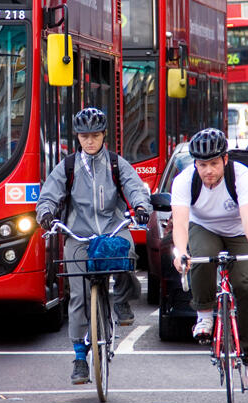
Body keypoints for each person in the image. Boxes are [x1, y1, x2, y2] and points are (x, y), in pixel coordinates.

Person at [35, 107, 151, 384]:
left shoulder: (115, 163)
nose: (90, 141)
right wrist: (47, 215)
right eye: (85, 136)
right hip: (79, 235)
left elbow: (134, 188)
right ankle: (79, 356)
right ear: (78, 137)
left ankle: (122, 301)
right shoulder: (68, 166)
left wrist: (141, 207)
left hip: (113, 229)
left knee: (128, 253)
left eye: (95, 136)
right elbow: (48, 196)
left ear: (103, 136)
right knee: (78, 295)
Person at [171, 128, 248, 391]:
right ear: (195, 164)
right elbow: (180, 224)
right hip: (205, 227)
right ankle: (204, 313)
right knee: (200, 257)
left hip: (239, 230)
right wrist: (181, 252)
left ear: (225, 160)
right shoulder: (184, 181)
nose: (208, 171)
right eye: (202, 165)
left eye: (214, 163)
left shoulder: (242, 176)